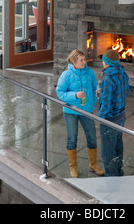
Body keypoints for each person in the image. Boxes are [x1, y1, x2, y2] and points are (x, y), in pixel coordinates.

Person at [56, 49, 104, 178]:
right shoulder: (66, 75)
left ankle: (93, 165)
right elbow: (60, 92)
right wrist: (75, 95)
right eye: (81, 60)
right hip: (71, 112)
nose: (84, 62)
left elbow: (94, 88)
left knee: (92, 138)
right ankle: (73, 167)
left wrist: (96, 94)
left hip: (87, 110)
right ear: (73, 61)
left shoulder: (90, 73)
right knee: (72, 139)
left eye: (84, 59)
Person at [98, 48, 129, 177]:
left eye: (103, 60)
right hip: (121, 116)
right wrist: (103, 92)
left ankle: (111, 179)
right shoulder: (123, 74)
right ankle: (118, 171)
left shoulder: (108, 80)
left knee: (108, 151)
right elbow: (124, 92)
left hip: (109, 119)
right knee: (118, 146)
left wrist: (100, 118)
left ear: (107, 63)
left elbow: (106, 104)